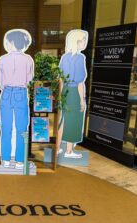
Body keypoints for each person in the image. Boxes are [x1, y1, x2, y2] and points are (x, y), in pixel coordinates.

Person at [0, 29, 34, 170]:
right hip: (21, 93)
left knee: (5, 128)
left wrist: (7, 88)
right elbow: (30, 80)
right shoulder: (28, 59)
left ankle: (5, 159)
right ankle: (19, 161)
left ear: (11, 42)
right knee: (21, 128)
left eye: (7, 41)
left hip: (6, 93)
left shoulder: (2, 59)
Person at [57, 29, 88, 159]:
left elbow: (61, 79)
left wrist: (60, 95)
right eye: (84, 40)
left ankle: (58, 148)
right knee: (74, 120)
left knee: (62, 120)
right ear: (77, 42)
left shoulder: (64, 57)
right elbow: (80, 82)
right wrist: (82, 100)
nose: (85, 43)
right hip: (75, 92)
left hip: (65, 91)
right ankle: (69, 151)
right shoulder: (80, 58)